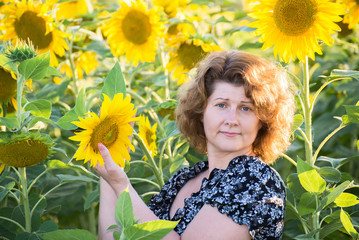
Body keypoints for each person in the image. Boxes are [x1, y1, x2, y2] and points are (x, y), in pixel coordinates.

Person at [94, 50, 295, 239]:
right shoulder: (183, 181)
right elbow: (113, 236)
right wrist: (110, 171)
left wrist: (122, 186)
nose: (231, 119)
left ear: (263, 121)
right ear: (201, 112)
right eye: (221, 105)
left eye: (245, 108)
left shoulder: (258, 182)